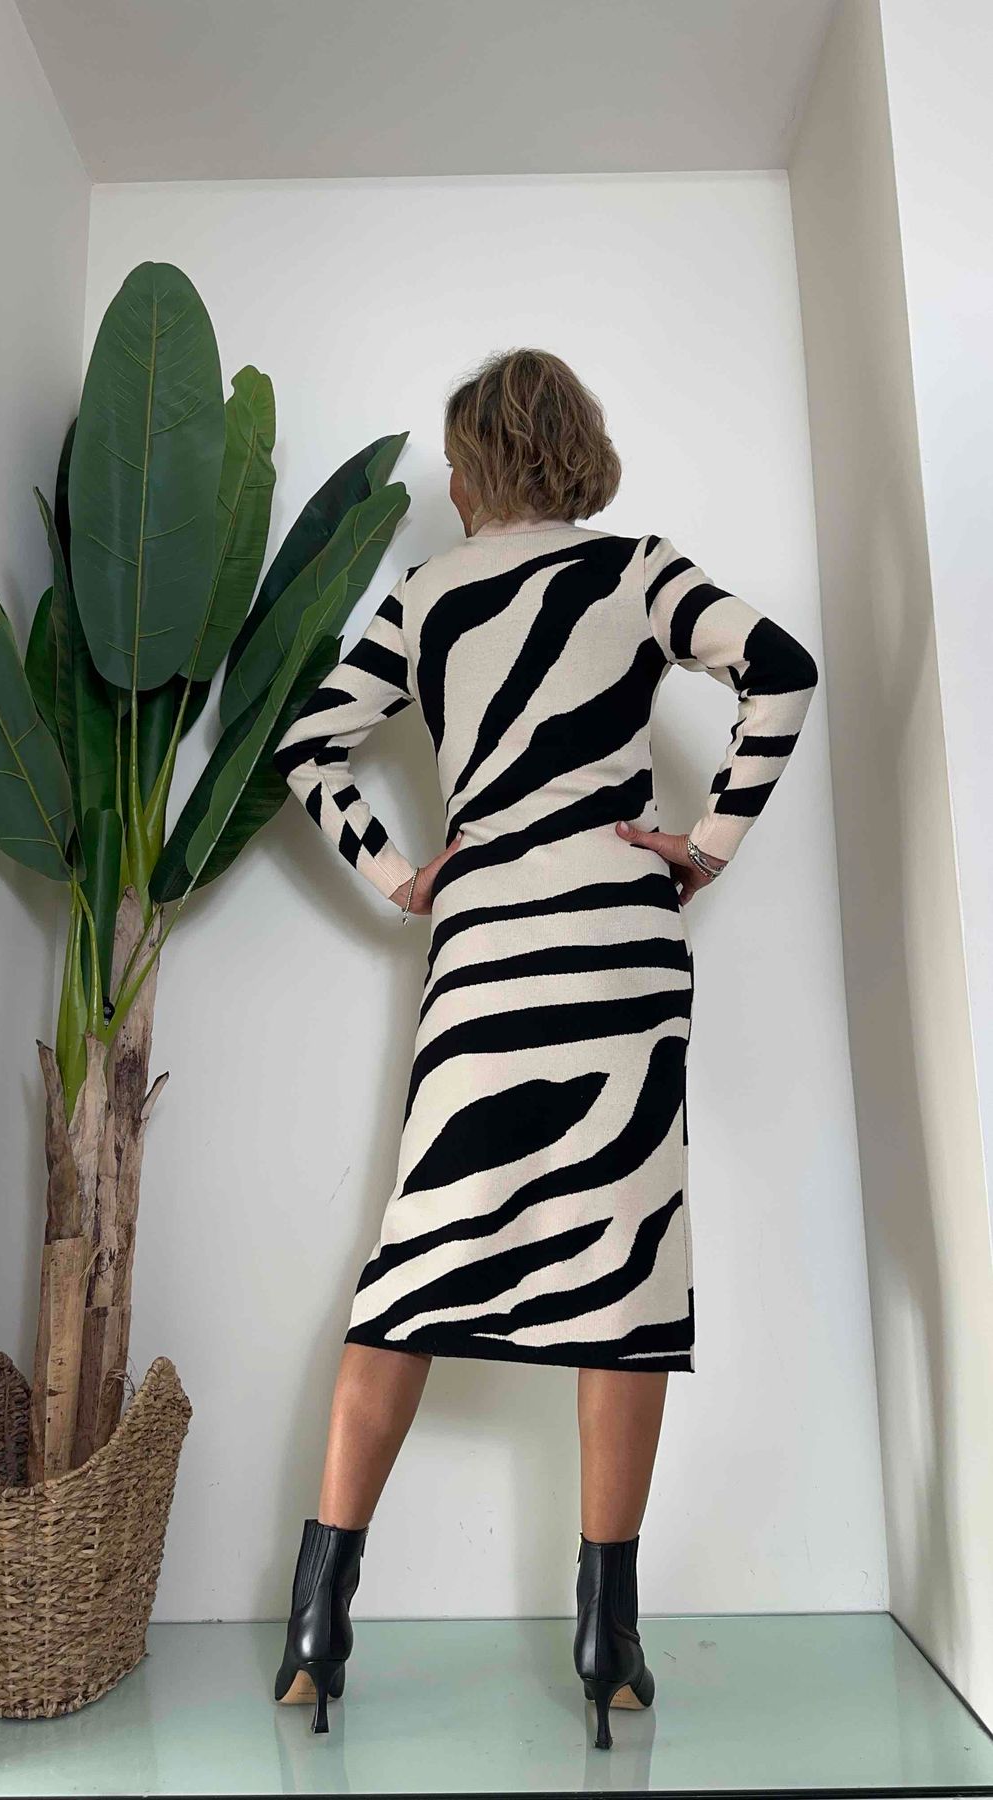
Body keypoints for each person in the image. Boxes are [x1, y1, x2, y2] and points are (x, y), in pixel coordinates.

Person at [270, 348, 818, 1748]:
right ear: (576, 451)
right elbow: (782, 670)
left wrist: (400, 875)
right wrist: (706, 845)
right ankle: (609, 1641)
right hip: (618, 952)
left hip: (487, 953)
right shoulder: (638, 572)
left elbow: (307, 745)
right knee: (624, 1275)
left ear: (471, 471)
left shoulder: (426, 593)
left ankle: (317, 1630)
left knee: (409, 1268)